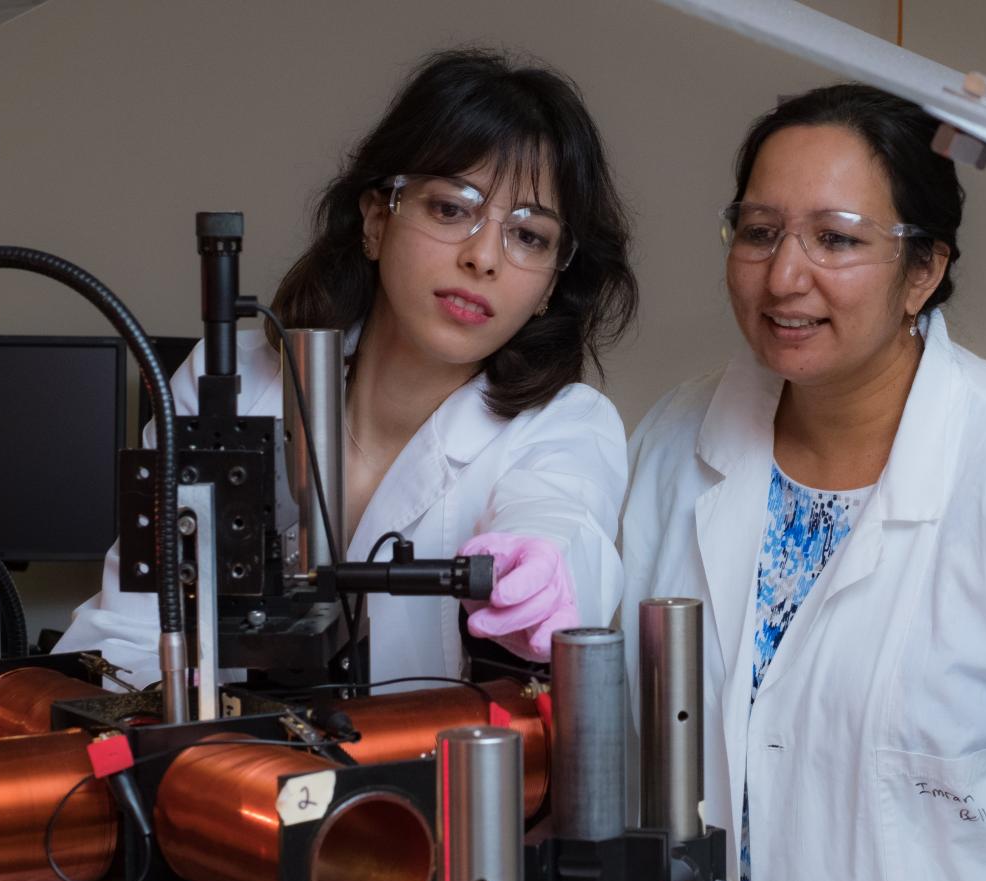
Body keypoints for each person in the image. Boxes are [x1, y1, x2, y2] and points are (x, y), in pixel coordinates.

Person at [621, 84, 986, 881]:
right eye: (759, 232)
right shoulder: (673, 440)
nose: (785, 277)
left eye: (837, 238)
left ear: (923, 271)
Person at [58, 48, 636, 687]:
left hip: (429, 754)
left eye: (529, 236)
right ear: (377, 220)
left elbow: (565, 518)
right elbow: (134, 628)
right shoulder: (233, 381)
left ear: (552, 282)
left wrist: (543, 565)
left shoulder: (565, 424)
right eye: (452, 208)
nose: (484, 258)